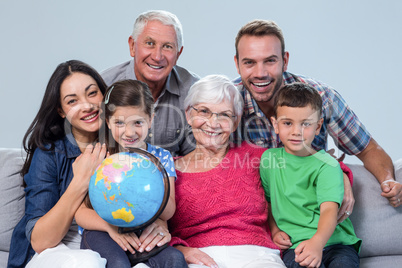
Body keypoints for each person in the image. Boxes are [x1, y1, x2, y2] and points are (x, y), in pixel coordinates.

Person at [233, 19, 401, 210]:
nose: (260, 73)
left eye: (270, 61)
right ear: (237, 64)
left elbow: (368, 149)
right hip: (254, 214)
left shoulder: (322, 97)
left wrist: (386, 180)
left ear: (285, 61)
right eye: (249, 63)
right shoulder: (225, 104)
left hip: (310, 213)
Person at [169, 75, 286, 268]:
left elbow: (303, 164)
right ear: (189, 115)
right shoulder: (169, 171)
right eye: (204, 111)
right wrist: (180, 249)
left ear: (236, 121)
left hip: (258, 256)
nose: (213, 123)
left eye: (224, 115)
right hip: (200, 259)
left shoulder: (255, 157)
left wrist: (341, 173)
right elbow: (155, 228)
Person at [75, 79, 187, 268]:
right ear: (108, 122)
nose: (129, 132)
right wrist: (112, 229)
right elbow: (80, 214)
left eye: (137, 122)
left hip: (141, 231)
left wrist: (154, 173)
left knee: (175, 259)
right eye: (119, 122)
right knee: (118, 264)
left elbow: (168, 212)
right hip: (102, 232)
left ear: (150, 119)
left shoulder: (161, 157)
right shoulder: (98, 157)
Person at [7, 60, 108, 268]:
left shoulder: (123, 144)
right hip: (54, 250)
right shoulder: (49, 153)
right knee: (87, 263)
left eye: (92, 93)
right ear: (61, 111)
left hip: (105, 244)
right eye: (72, 101)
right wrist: (80, 181)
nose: (87, 106)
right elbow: (40, 241)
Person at [260, 83, 361, 268]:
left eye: (306, 124)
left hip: (336, 243)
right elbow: (267, 202)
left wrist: (317, 242)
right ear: (275, 125)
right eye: (287, 123)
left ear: (318, 126)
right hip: (296, 245)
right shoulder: (269, 160)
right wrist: (274, 231)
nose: (296, 131)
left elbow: (329, 210)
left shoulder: (328, 165)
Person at [101, 10, 199, 157]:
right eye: (149, 43)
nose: (157, 56)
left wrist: (166, 166)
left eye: (167, 46)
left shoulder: (194, 92)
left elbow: (198, 156)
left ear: (178, 54)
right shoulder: (104, 86)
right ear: (132, 46)